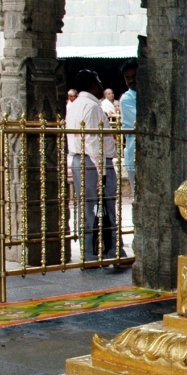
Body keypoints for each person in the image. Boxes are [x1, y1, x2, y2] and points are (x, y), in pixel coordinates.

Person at [66, 70, 124, 264]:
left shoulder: (74, 105)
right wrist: (102, 172)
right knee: (103, 206)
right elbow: (92, 141)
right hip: (93, 161)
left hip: (80, 159)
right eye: (98, 82)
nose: (101, 85)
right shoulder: (91, 106)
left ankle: (92, 250)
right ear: (93, 85)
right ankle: (105, 250)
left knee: (87, 206)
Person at [119, 60, 137, 193]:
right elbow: (140, 121)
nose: (131, 80)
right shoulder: (127, 99)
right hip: (135, 152)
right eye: (127, 78)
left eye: (134, 76)